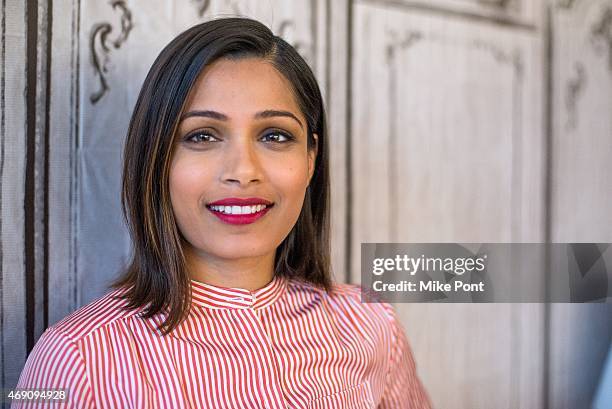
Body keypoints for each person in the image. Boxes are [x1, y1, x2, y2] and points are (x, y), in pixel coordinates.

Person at [13, 17, 431, 408]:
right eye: (203, 135)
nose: (243, 171)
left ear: (310, 159)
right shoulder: (76, 359)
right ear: (156, 160)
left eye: (274, 135)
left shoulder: (372, 325)